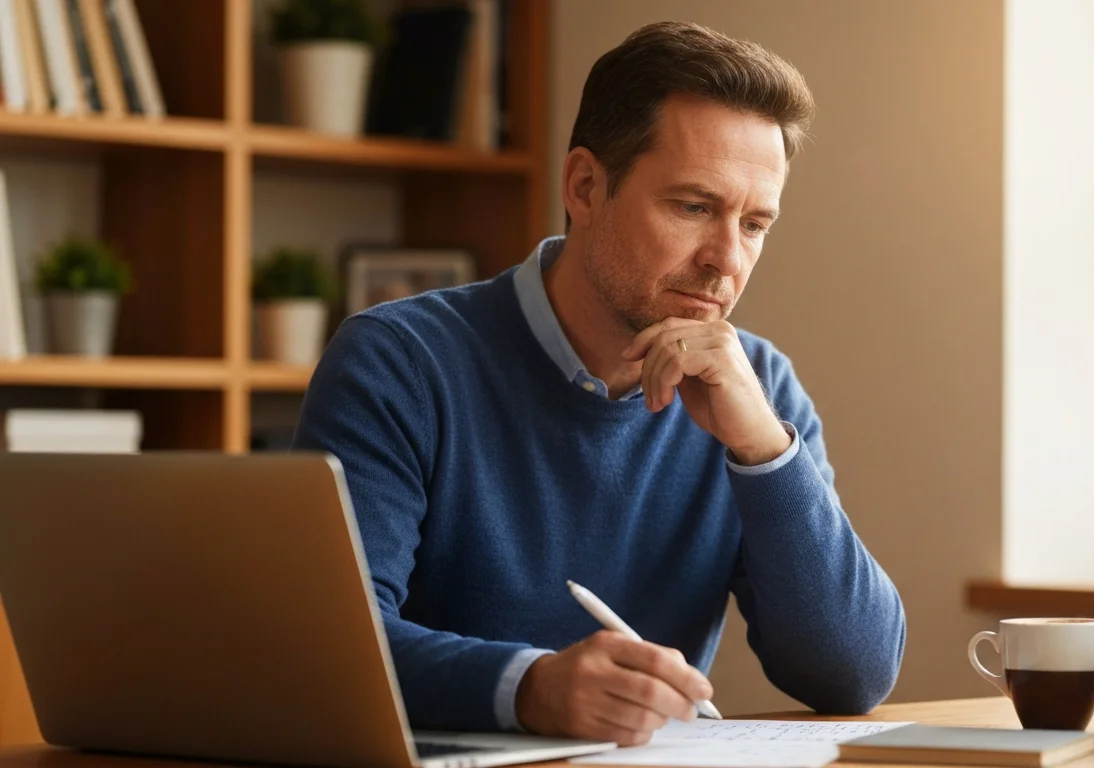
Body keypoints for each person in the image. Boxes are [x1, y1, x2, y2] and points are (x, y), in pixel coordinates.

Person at [293, 20, 905, 747]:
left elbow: (854, 675)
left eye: (754, 224)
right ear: (586, 186)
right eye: (694, 207)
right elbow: (334, 648)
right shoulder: (399, 361)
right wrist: (530, 688)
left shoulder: (757, 383)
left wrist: (764, 450)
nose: (725, 260)